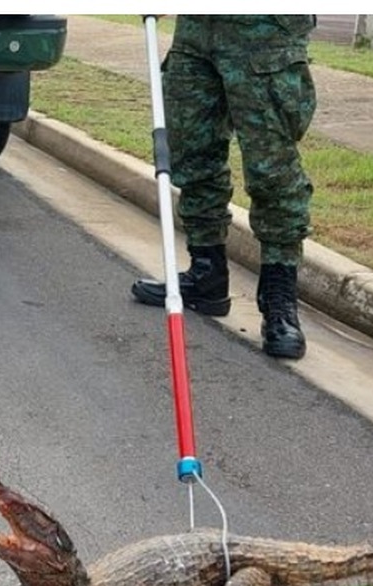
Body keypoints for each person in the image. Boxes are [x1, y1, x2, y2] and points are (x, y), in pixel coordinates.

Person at [131, 15, 317, 359]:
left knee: (271, 167)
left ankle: (279, 300)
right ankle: (207, 274)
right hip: (197, 30)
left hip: (265, 32)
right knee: (192, 151)